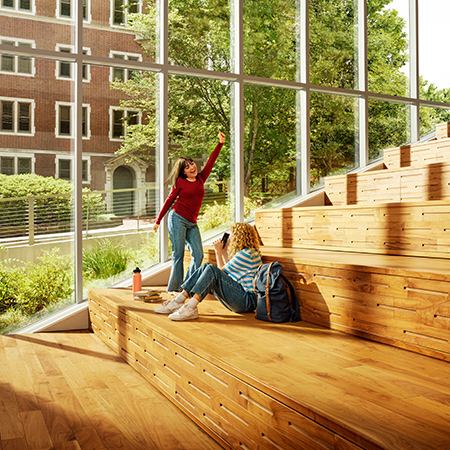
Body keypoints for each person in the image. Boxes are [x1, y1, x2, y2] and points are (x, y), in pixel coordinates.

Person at [153, 131, 225, 292]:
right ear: (183, 172)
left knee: (198, 255)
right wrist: (158, 221)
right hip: (176, 218)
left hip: (192, 222)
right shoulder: (179, 182)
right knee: (178, 255)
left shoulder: (200, 178)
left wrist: (220, 143)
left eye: (192, 163)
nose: (191, 167)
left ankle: (187, 286)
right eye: (187, 167)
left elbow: (211, 162)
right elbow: (169, 200)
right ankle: (173, 290)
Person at [154, 222, 262, 321]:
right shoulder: (248, 253)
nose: (231, 239)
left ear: (239, 237)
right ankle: (179, 301)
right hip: (243, 299)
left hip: (247, 301)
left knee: (210, 269)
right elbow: (228, 273)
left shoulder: (246, 254)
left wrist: (218, 252)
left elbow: (220, 272)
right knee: (206, 266)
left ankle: (190, 307)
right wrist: (223, 253)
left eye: (233, 235)